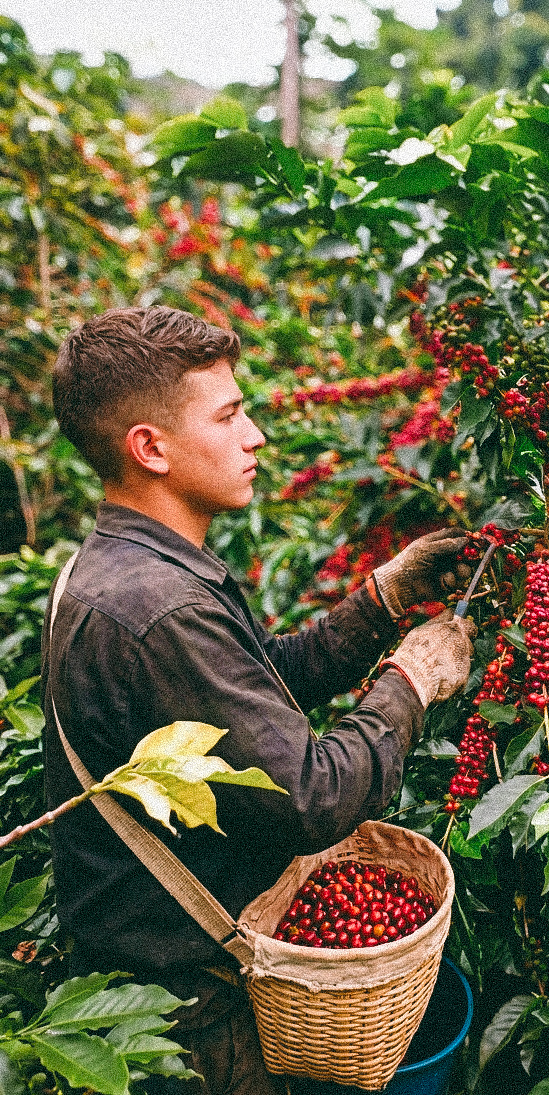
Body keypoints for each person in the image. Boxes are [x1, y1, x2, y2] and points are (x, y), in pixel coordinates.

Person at [41, 305, 477, 1095]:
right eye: (229, 415)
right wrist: (412, 678)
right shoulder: (160, 610)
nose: (256, 437)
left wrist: (383, 597)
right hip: (192, 1025)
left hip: (165, 989)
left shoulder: (123, 566)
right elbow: (312, 796)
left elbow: (255, 684)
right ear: (151, 448)